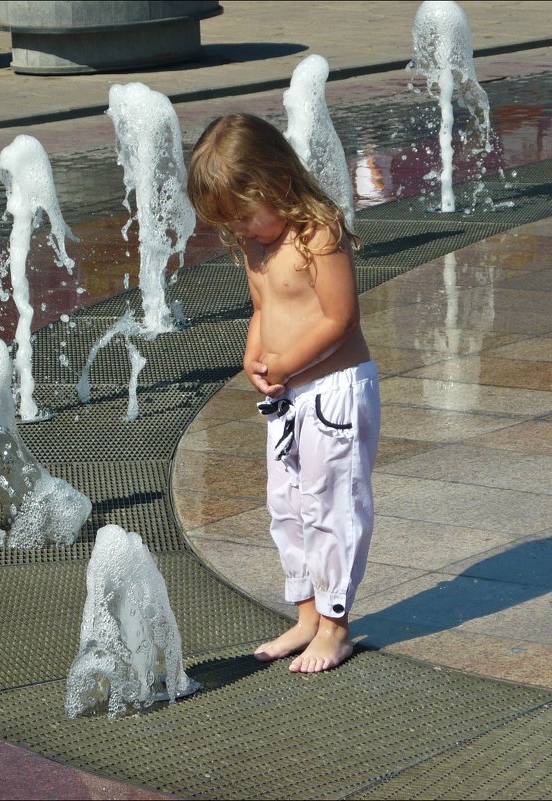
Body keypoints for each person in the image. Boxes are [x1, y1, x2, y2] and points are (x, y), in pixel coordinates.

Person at [187, 113, 380, 674]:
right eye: (230, 222)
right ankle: (306, 615)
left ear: (274, 182)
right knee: (287, 503)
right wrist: (254, 352)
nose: (242, 230)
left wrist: (288, 362)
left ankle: (337, 624)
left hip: (335, 392)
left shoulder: (320, 233)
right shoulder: (256, 244)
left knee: (332, 503)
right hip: (289, 395)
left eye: (245, 216)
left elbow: (341, 319)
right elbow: (265, 308)